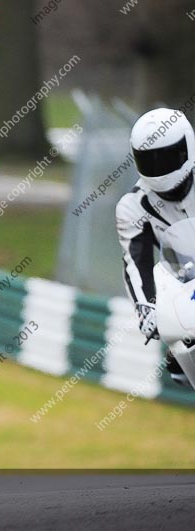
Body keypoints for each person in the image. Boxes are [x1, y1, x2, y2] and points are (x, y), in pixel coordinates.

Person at [115, 107, 195, 386]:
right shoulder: (132, 207)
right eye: (150, 160)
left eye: (167, 157)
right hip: (188, 295)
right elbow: (135, 263)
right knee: (179, 362)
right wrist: (146, 308)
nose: (159, 167)